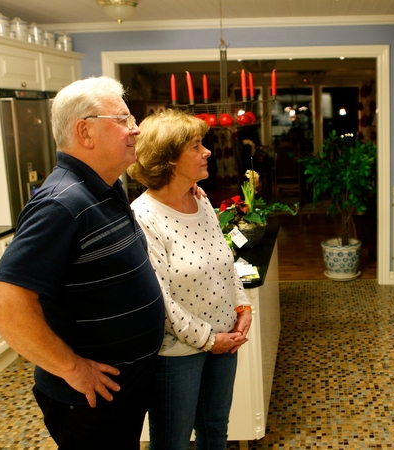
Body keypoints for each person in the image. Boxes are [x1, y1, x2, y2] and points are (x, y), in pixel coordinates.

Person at [0, 76, 165, 449]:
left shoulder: (107, 187)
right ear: (85, 131)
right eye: (123, 120)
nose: (136, 129)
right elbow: (0, 305)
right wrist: (73, 369)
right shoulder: (61, 204)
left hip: (123, 387)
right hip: (89, 399)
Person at [127, 109, 252, 450]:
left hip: (226, 339)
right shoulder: (143, 217)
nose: (207, 151)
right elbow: (160, 300)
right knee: (173, 442)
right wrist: (211, 340)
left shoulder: (201, 201)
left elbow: (224, 262)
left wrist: (242, 306)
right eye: (197, 146)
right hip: (179, 353)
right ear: (168, 159)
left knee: (215, 431)